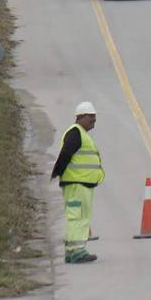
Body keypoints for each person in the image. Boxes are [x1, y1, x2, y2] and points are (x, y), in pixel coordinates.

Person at [51, 102, 105, 264]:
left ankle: (71, 250)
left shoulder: (80, 133)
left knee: (77, 216)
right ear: (80, 117)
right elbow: (65, 153)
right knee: (78, 217)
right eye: (91, 117)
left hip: (80, 184)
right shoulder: (75, 133)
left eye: (95, 118)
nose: (94, 121)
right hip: (77, 184)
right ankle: (77, 251)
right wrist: (57, 172)